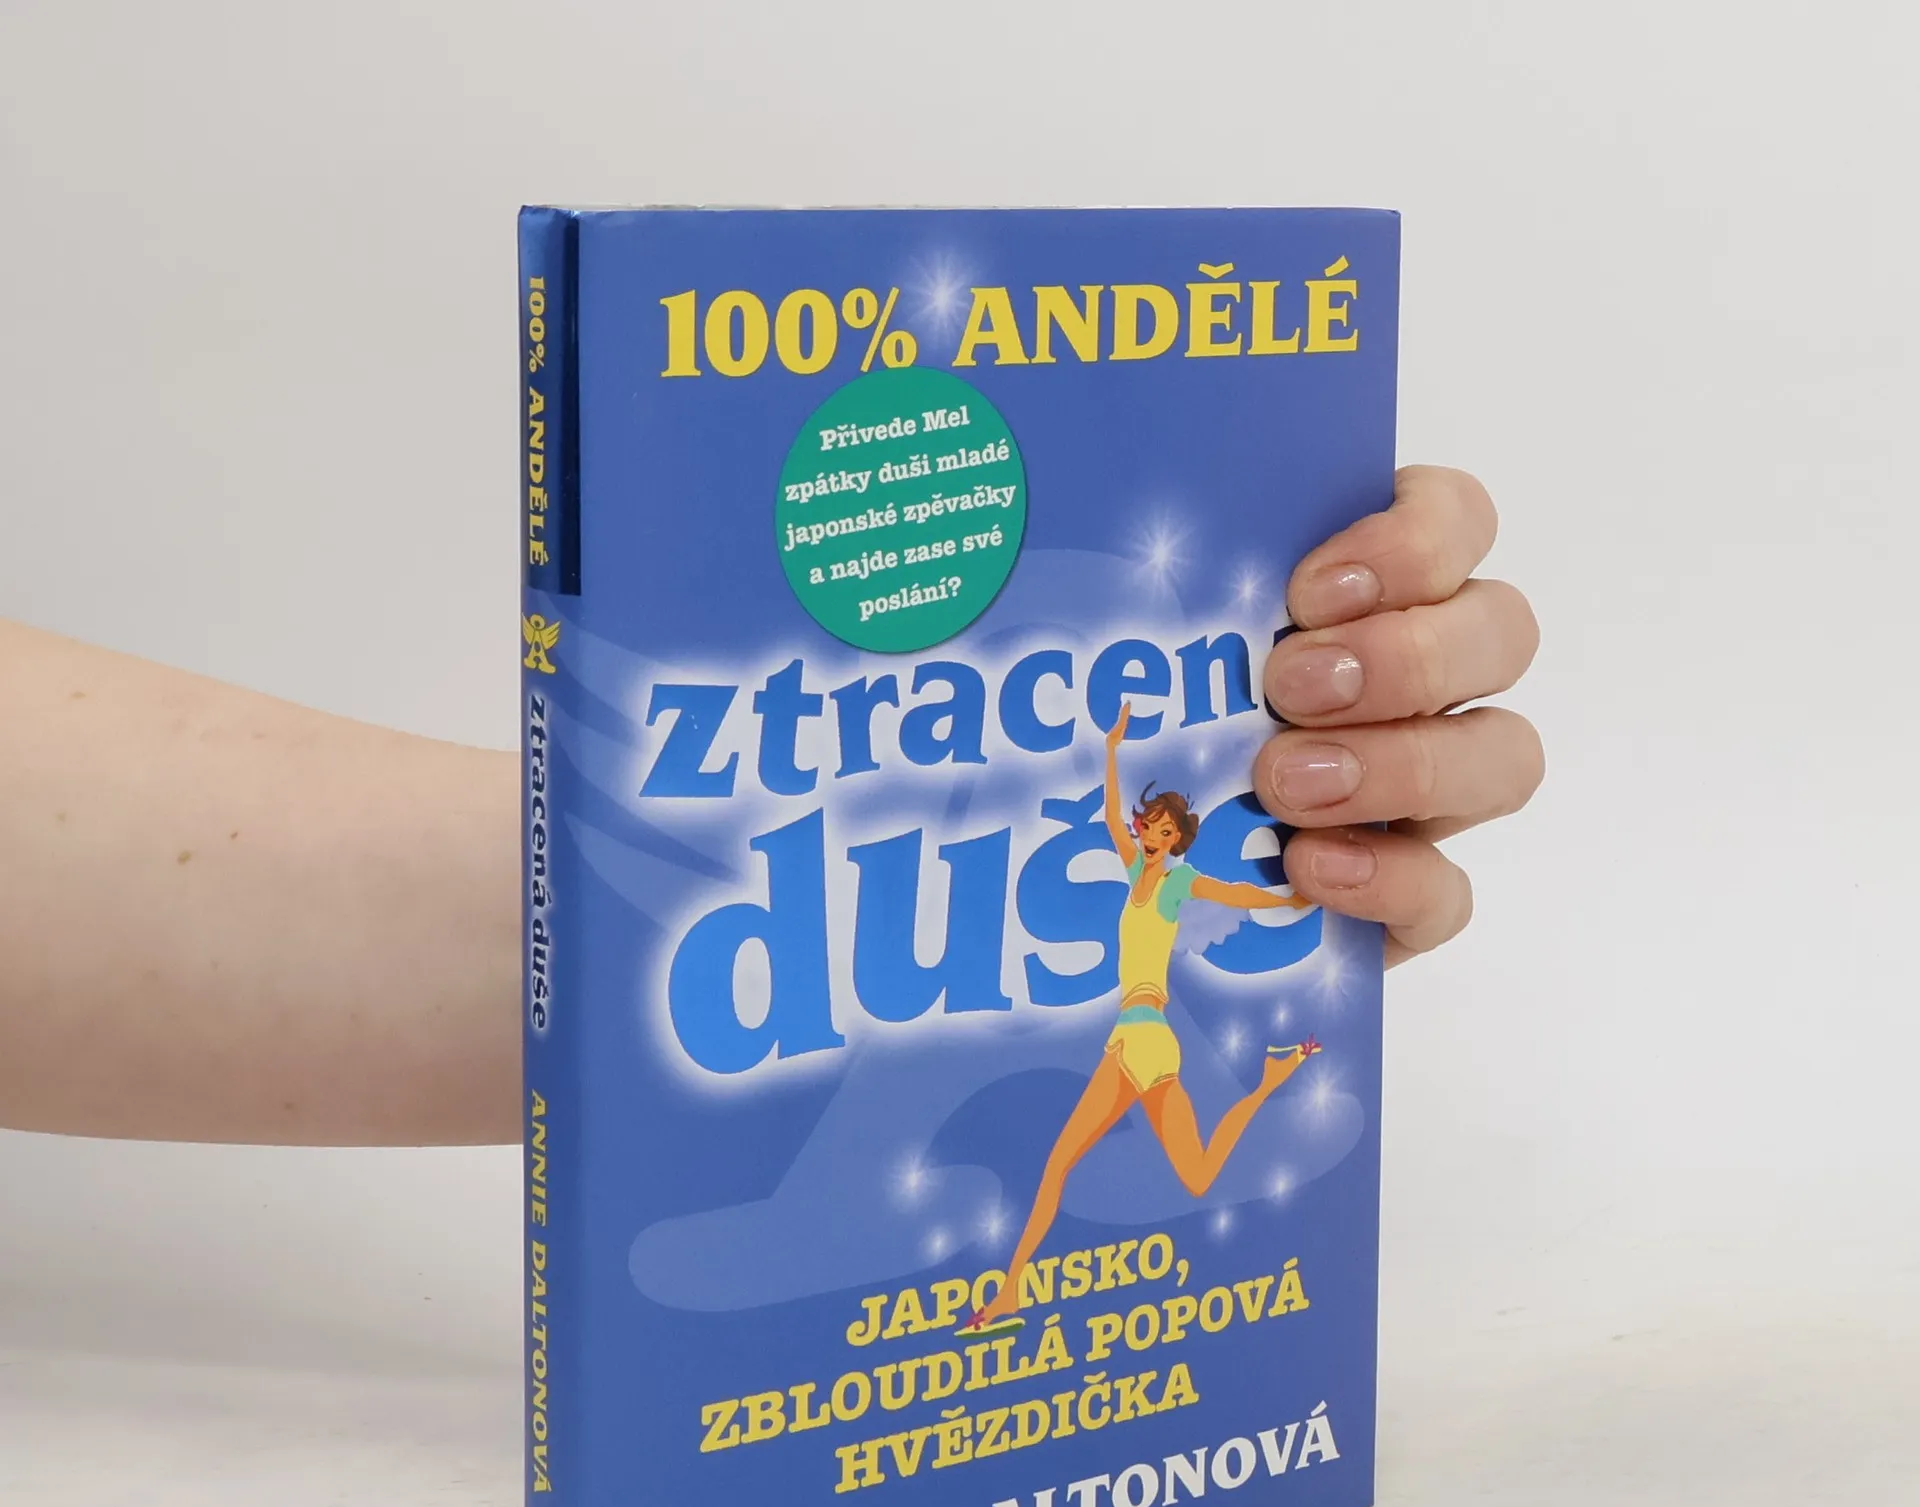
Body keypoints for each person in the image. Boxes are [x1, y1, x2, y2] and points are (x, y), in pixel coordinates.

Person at [0, 466, 1542, 1146]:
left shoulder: (1167, 878)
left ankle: (1248, 1100)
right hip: (1114, 1016)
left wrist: (1295, 881)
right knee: (1090, 1175)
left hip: (1119, 1017)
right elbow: (1124, 814)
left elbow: (1216, 883)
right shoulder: (1144, 856)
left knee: (1142, 1167)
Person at [965, 700, 1325, 1331]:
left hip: (1141, 1038)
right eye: (1146, 824)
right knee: (1197, 1176)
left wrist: (1291, 898)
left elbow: (1232, 891)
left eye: (1158, 829)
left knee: (1058, 1164)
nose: (1146, 833)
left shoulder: (1176, 883)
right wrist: (1111, 750)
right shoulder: (1135, 874)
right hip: (1144, 1040)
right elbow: (1109, 815)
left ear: (1173, 838)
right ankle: (1269, 1080)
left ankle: (1011, 1294)